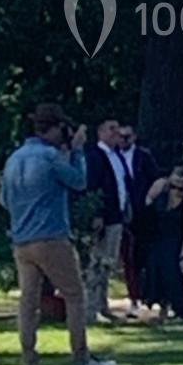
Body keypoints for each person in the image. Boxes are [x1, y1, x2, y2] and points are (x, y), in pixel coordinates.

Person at [0, 103, 116, 365]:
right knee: (75, 296)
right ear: (54, 128)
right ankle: (81, 358)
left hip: (21, 239)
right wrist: (76, 151)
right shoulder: (50, 157)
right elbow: (78, 182)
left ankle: (30, 362)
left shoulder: (14, 158)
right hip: (51, 236)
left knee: (28, 302)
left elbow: (4, 199)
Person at [142, 167, 183, 322]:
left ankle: (182, 311)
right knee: (156, 272)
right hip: (158, 239)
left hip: (177, 241)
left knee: (174, 274)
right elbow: (147, 204)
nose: (176, 191)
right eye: (173, 187)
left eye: (181, 188)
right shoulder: (161, 193)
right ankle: (162, 308)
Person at [84, 119, 128, 322]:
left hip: (117, 216)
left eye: (117, 129)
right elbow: (93, 185)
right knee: (96, 262)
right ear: (100, 132)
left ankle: (103, 305)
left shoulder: (117, 156)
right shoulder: (95, 156)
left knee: (108, 263)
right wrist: (96, 213)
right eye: (111, 129)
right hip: (103, 217)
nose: (115, 133)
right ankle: (91, 308)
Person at [118, 124, 159, 319]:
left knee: (146, 254)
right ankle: (134, 297)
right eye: (121, 136)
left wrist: (149, 200)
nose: (124, 140)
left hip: (144, 212)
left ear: (134, 137)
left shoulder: (144, 156)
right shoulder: (113, 157)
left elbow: (155, 179)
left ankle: (150, 295)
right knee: (129, 258)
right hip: (124, 212)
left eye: (127, 136)